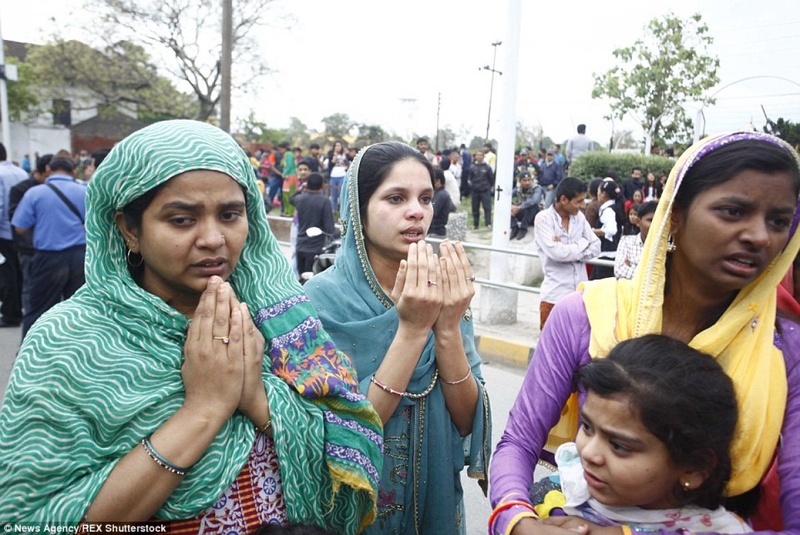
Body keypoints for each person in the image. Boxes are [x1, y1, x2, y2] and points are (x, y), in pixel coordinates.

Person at [0, 120, 382, 532]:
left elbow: (351, 442)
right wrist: (205, 408)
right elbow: (30, 519)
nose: (213, 239)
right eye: (182, 220)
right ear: (130, 229)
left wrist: (256, 399)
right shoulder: (69, 341)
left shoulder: (282, 321)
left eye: (230, 215)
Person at [489, 131, 800, 535]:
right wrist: (517, 521)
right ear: (675, 215)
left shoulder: (785, 351)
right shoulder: (587, 315)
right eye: (733, 211)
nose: (760, 236)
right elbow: (518, 443)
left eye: (778, 221)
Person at [304, 141, 491, 534]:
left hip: (435, 504)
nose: (416, 211)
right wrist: (414, 329)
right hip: (356, 509)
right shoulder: (320, 301)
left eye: (425, 198)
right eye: (395, 198)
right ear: (358, 210)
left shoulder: (444, 289)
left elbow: (465, 420)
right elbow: (348, 430)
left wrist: (447, 329)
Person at [522, 335, 747, 533]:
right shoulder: (560, 491)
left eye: (618, 446)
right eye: (587, 427)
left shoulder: (715, 530)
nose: (589, 453)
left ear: (693, 469)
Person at [11, 156, 87, 337]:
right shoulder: (85, 191)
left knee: (39, 309)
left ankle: (32, 349)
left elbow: (20, 227)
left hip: (48, 258)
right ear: (73, 171)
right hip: (80, 257)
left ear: (48, 170)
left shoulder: (35, 193)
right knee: (78, 310)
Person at [533, 177, 601, 330]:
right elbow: (558, 254)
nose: (583, 206)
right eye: (579, 201)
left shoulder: (579, 218)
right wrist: (582, 243)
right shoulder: (543, 219)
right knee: (551, 344)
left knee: (579, 343)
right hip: (554, 297)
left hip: (580, 298)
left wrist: (569, 250)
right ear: (563, 199)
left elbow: (596, 246)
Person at [0, 142, 28, 327]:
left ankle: (11, 313)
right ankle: (19, 307)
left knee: (6, 274)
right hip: (20, 231)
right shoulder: (21, 172)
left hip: (3, 231)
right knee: (18, 272)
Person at [290, 173, 335, 277]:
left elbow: (291, 199)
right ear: (322, 185)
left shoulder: (300, 199)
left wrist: (300, 189)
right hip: (316, 249)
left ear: (307, 184)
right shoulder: (325, 201)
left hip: (300, 246)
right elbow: (329, 228)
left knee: (301, 278)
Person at [614, 201, 656, 280]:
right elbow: (619, 271)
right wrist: (650, 277)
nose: (655, 225)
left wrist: (632, 268)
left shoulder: (666, 247)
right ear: (638, 222)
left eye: (658, 221)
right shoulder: (626, 241)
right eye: (650, 220)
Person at [510, 171, 544, 241]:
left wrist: (519, 207)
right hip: (525, 214)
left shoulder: (537, 188)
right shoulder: (518, 188)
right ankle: (514, 228)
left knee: (532, 205)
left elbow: (534, 201)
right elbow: (507, 196)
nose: (527, 182)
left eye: (529, 180)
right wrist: (511, 206)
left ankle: (523, 229)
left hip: (536, 216)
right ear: (520, 181)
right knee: (507, 207)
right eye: (524, 180)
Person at [469, 149, 495, 230]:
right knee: (475, 208)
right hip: (475, 191)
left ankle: (488, 224)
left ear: (483, 157)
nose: (479, 157)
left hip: (485, 191)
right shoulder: (472, 167)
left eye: (481, 155)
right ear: (475, 156)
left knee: (487, 208)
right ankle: (475, 224)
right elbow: (470, 179)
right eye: (477, 155)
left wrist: (488, 187)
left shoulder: (487, 167)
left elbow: (491, 179)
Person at [429, 168, 456, 240]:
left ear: (438, 181)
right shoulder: (436, 193)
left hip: (436, 233)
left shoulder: (441, 195)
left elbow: (432, 211)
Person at [327, 140, 348, 214]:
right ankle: (334, 211)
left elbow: (348, 163)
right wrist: (335, 156)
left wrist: (345, 155)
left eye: (339, 145)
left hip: (342, 175)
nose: (337, 147)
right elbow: (330, 165)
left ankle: (342, 211)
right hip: (333, 176)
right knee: (333, 194)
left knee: (341, 194)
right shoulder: (331, 154)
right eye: (336, 146)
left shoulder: (345, 154)